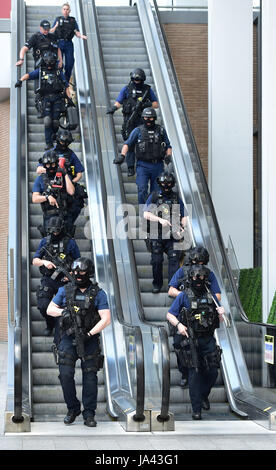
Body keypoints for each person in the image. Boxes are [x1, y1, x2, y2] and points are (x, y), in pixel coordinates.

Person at [47, 257, 111, 427]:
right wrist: (63, 313)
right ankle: (73, 408)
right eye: (75, 272)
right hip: (67, 339)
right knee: (65, 375)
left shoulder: (98, 293)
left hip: (89, 339)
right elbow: (50, 309)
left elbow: (106, 318)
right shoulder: (65, 290)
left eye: (81, 272)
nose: (77, 275)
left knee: (90, 377)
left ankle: (89, 413)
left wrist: (89, 334)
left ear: (88, 272)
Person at [167, 264, 225, 420]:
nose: (198, 279)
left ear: (205, 278)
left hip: (208, 338)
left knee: (213, 370)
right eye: (195, 277)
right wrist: (179, 325)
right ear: (190, 278)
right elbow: (170, 315)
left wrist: (221, 313)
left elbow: (220, 319)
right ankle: (196, 408)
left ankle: (203, 395)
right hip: (191, 338)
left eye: (201, 277)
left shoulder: (212, 296)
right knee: (194, 372)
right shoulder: (184, 295)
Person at [168, 245, 221, 388]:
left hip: (202, 318)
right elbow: (171, 290)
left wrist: (202, 299)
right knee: (180, 347)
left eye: (202, 263)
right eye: (196, 263)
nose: (199, 266)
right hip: (183, 315)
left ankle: (199, 384)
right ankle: (184, 373)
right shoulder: (182, 272)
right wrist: (186, 297)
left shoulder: (209, 274)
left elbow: (217, 295)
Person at [114, 107, 172, 207]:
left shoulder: (161, 131)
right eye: (146, 118)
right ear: (142, 118)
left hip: (157, 165)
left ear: (154, 118)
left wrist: (168, 156)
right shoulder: (138, 131)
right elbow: (127, 144)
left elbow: (168, 145)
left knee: (156, 191)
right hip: (143, 166)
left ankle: (153, 212)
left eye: (150, 118)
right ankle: (143, 212)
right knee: (142, 188)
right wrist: (122, 156)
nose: (148, 120)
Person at [32, 216, 80, 336]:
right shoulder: (45, 241)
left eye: (56, 230)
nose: (54, 233)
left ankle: (62, 329)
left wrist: (71, 275)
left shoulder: (70, 242)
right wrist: (44, 262)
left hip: (65, 280)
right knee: (43, 305)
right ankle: (50, 324)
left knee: (66, 308)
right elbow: (35, 260)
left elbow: (79, 262)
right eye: (52, 230)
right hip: (49, 279)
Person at [15, 50, 71, 149]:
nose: (49, 64)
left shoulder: (58, 71)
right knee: (47, 121)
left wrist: (69, 98)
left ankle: (54, 137)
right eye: (48, 62)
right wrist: (20, 80)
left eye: (51, 62)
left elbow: (66, 85)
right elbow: (29, 75)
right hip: (45, 99)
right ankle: (48, 143)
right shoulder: (41, 71)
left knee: (55, 122)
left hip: (57, 98)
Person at [107, 68, 158, 177]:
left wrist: (145, 105)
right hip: (129, 120)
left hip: (143, 121)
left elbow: (155, 104)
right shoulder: (126, 89)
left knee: (144, 143)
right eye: (135, 79)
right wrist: (113, 108)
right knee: (129, 144)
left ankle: (144, 166)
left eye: (139, 80)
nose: (137, 82)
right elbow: (119, 101)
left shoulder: (147, 90)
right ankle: (130, 167)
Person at [143, 172, 188, 294]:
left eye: (168, 183)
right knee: (156, 261)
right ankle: (157, 284)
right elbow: (146, 214)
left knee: (174, 260)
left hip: (173, 235)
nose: (166, 186)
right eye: (163, 183)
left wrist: (182, 227)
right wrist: (159, 220)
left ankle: (172, 287)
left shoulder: (176, 198)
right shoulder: (154, 196)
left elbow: (184, 216)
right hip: (156, 234)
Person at [36, 129, 87, 228]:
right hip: (52, 186)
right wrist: (54, 169)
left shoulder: (71, 154)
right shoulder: (50, 152)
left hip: (67, 186)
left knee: (77, 203)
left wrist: (70, 182)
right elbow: (38, 170)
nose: (64, 144)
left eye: (67, 142)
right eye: (63, 141)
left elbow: (79, 174)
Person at [32, 149, 75, 235]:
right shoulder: (40, 179)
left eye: (52, 164)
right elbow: (35, 198)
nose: (50, 167)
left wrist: (65, 174)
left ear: (56, 163)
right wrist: (47, 197)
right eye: (47, 165)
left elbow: (71, 192)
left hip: (64, 215)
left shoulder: (63, 176)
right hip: (49, 216)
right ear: (44, 165)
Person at [50, 2, 87, 82]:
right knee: (59, 63)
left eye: (67, 9)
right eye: (64, 9)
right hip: (59, 43)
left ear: (69, 11)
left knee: (70, 63)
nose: (65, 11)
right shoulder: (58, 19)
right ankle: (59, 79)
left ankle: (66, 80)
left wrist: (81, 36)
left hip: (68, 43)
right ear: (62, 10)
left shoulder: (72, 20)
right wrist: (55, 26)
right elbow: (51, 31)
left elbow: (76, 32)